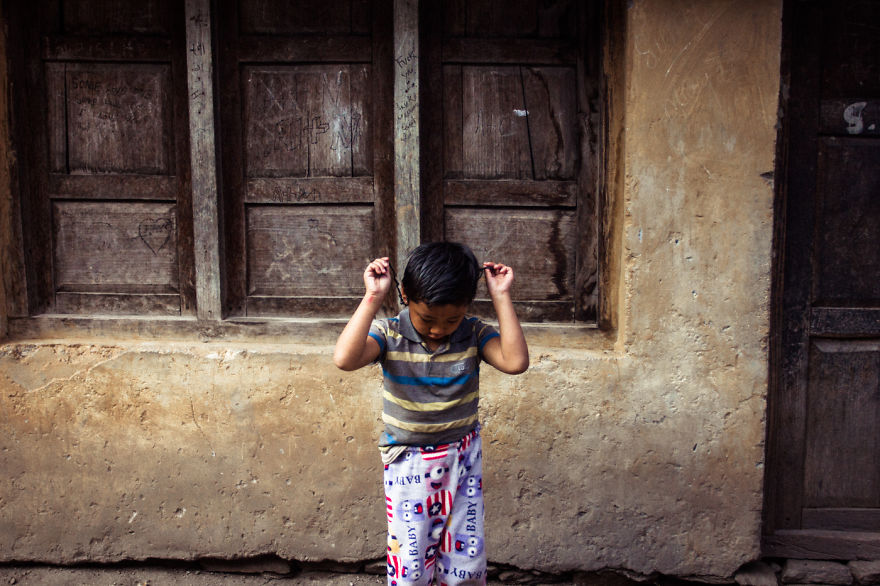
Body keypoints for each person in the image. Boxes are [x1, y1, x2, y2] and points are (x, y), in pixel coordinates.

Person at [333, 241, 529, 586]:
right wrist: (372, 298)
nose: (439, 329)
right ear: (406, 295)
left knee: (465, 557)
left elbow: (515, 362)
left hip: (463, 457)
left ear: (466, 307)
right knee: (411, 557)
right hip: (409, 461)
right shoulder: (390, 333)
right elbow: (345, 359)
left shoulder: (471, 332)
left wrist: (500, 296)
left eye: (451, 319)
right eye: (427, 319)